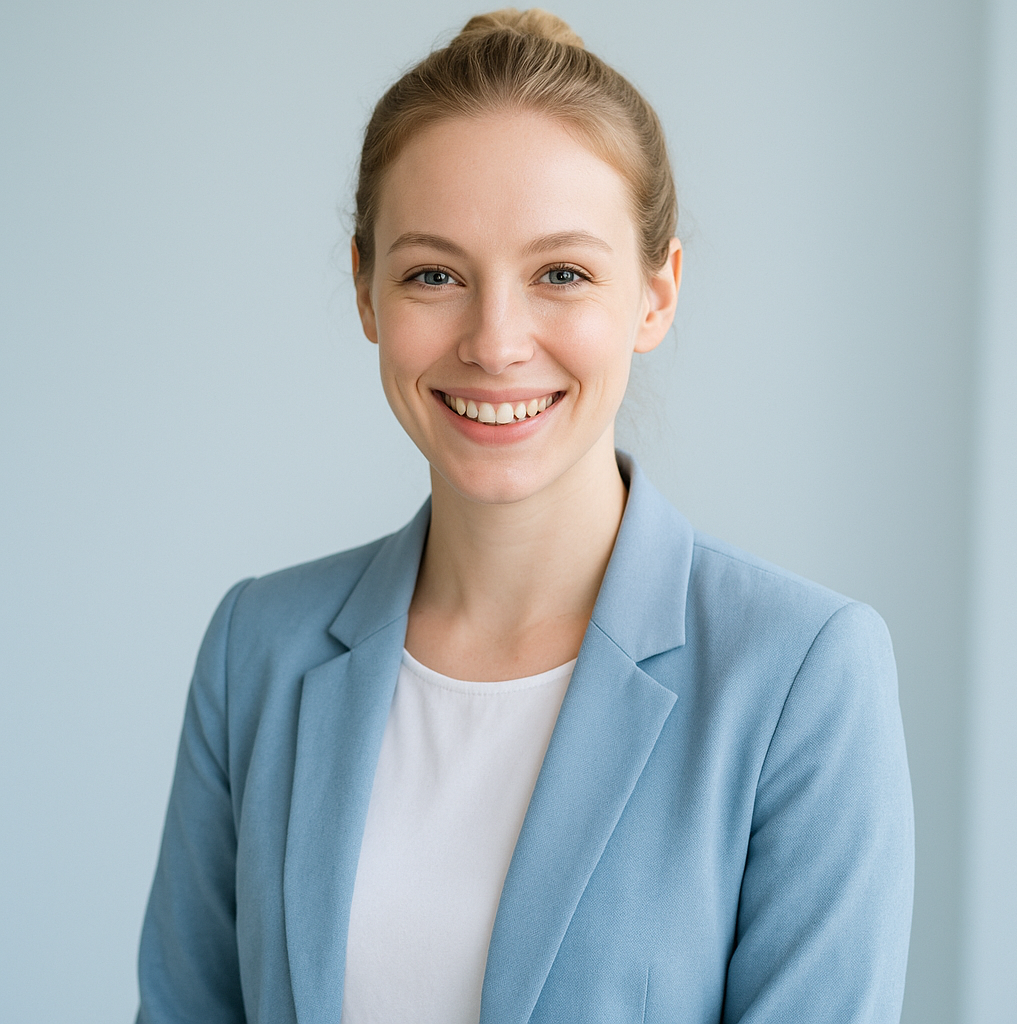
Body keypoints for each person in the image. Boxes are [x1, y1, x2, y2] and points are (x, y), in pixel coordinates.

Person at [135, 9, 914, 1024]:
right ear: (368, 290)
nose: (496, 343)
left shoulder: (800, 675)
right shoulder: (258, 649)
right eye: (433, 274)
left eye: (561, 274)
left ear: (655, 293)